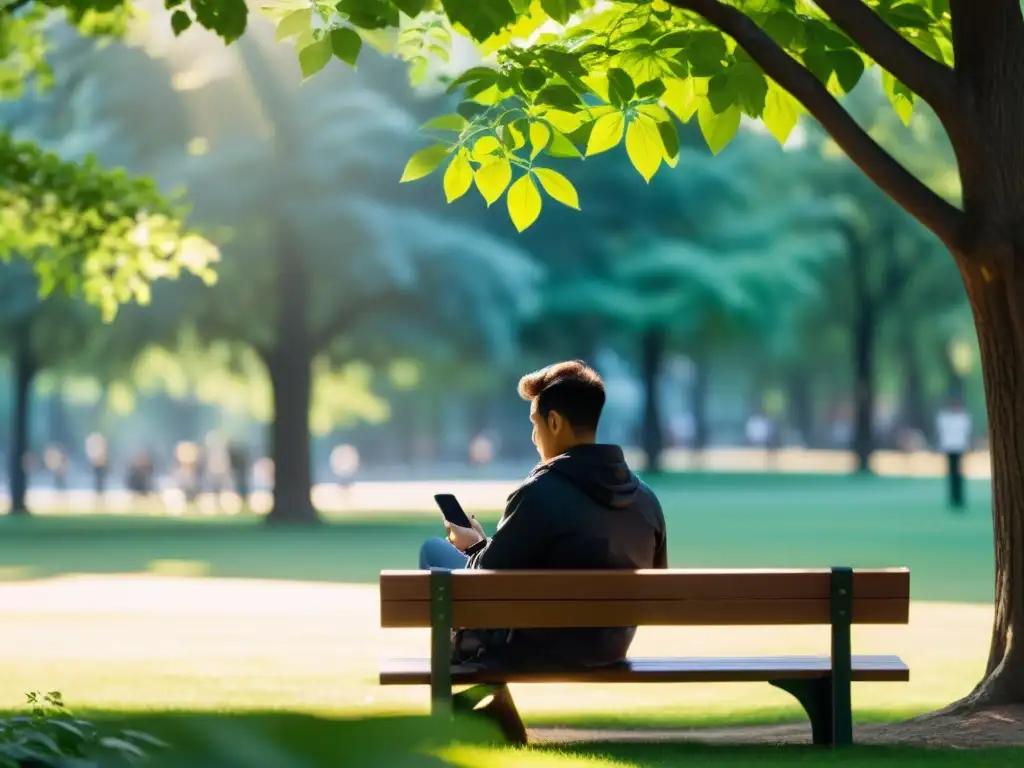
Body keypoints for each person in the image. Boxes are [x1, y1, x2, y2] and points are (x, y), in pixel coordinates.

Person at [418, 360, 668, 672]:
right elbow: (656, 586)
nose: (534, 438)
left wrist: (473, 547)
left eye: (534, 423)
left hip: (535, 651)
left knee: (433, 550)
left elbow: (484, 583)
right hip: (609, 651)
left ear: (554, 422)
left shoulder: (540, 492)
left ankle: (464, 684)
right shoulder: (645, 500)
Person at [935, 396, 972, 510]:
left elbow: (966, 434)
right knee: (952, 474)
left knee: (958, 474)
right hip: (949, 448)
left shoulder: (963, 417)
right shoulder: (945, 418)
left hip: (959, 448)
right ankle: (953, 498)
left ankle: (959, 498)